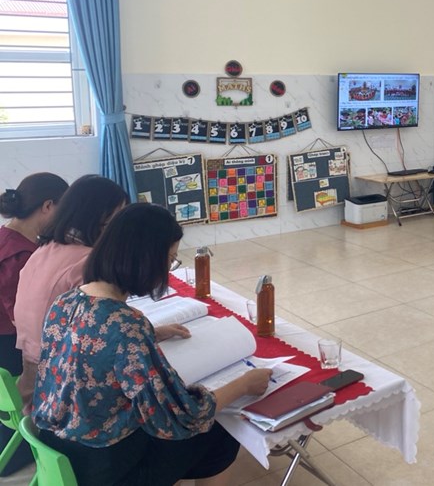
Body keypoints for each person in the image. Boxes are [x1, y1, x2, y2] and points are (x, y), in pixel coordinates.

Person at [31, 203, 271, 486]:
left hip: (56, 445)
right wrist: (244, 385)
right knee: (218, 431)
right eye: (169, 259)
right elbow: (182, 416)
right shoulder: (126, 325)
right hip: (103, 469)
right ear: (145, 259)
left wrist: (151, 334)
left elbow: (88, 345)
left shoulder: (66, 301)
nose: (168, 269)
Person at [14, 174, 129, 402]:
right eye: (117, 220)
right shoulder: (87, 262)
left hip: (29, 375)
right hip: (57, 389)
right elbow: (109, 335)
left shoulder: (44, 249)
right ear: (98, 218)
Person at [0, 172, 68, 477]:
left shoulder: (8, 237)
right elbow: (25, 317)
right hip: (11, 345)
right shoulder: (21, 254)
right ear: (48, 206)